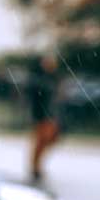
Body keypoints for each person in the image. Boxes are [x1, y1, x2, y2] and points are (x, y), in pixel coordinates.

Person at [27, 51, 63, 182]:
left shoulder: (54, 78)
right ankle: (35, 167)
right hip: (42, 115)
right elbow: (36, 98)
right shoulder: (39, 79)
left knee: (49, 140)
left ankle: (36, 166)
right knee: (41, 141)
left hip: (51, 115)